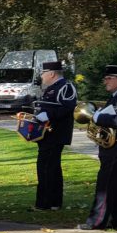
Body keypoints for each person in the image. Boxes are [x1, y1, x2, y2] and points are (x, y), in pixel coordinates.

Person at [79, 65, 117, 231]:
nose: (106, 80)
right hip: (113, 145)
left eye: (110, 78)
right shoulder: (116, 95)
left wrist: (98, 116)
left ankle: (96, 222)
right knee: (115, 183)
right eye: (105, 77)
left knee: (105, 184)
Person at [32, 61, 77, 211]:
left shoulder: (66, 87)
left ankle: (44, 203)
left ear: (51, 73)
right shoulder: (51, 88)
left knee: (46, 167)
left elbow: (68, 108)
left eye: (43, 73)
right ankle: (54, 202)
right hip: (46, 133)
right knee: (52, 167)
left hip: (56, 133)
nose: (42, 76)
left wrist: (48, 115)